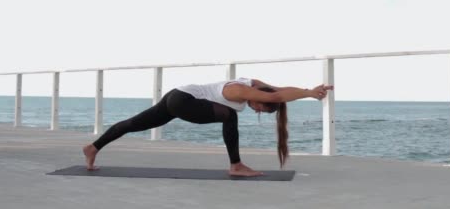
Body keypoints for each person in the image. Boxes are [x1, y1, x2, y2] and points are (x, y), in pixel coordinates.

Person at [82, 78, 333, 177]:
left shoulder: (254, 85)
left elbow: (277, 91)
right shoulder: (240, 90)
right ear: (258, 98)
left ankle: (93, 147)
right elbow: (276, 97)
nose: (256, 110)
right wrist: (310, 94)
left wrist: (309, 90)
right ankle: (236, 165)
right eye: (259, 107)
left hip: (178, 96)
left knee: (134, 124)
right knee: (229, 117)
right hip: (184, 101)